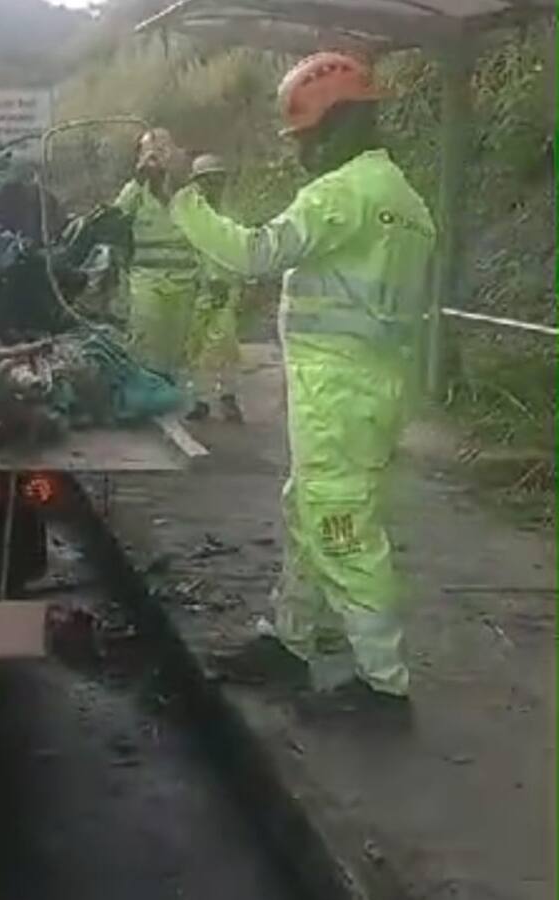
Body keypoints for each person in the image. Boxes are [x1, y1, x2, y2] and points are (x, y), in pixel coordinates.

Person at [168, 52, 436, 713]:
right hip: (373, 390)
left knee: (340, 526)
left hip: (337, 394)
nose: (299, 153)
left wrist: (183, 196)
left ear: (338, 125)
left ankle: (382, 682)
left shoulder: (342, 193)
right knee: (309, 511)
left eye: (306, 137)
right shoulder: (406, 202)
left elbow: (252, 254)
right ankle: (288, 638)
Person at [114, 127, 200, 381]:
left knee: (177, 345)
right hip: (147, 281)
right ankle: (146, 385)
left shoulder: (188, 192)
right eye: (149, 152)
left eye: (162, 151)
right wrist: (138, 181)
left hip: (185, 282)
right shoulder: (134, 192)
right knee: (145, 342)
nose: (155, 159)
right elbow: (115, 217)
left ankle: (170, 388)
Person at [184, 154, 244, 424]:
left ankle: (228, 396)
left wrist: (235, 284)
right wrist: (200, 279)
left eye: (218, 179)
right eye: (208, 180)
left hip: (226, 290)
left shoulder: (231, 215)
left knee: (225, 345)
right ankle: (201, 400)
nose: (214, 186)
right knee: (195, 347)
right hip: (196, 289)